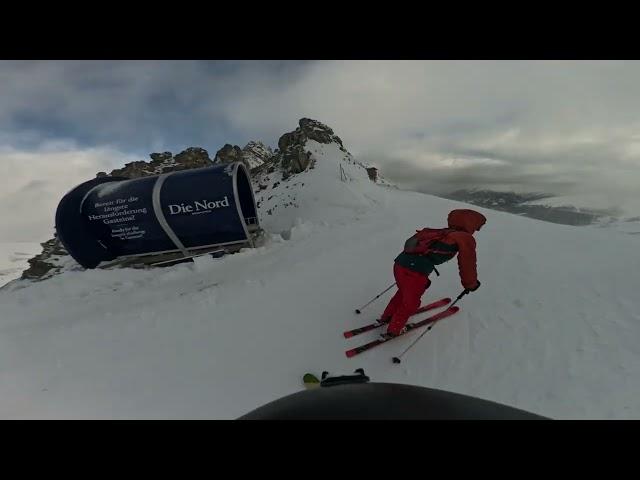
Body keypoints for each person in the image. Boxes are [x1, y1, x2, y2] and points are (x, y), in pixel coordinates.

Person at [381, 209, 486, 338]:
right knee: (411, 302)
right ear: (471, 223)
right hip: (415, 271)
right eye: (478, 226)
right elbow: (467, 262)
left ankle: (388, 316)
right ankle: (394, 330)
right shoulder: (464, 237)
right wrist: (470, 284)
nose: (478, 230)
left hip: (399, 264)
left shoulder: (441, 232)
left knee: (403, 293)